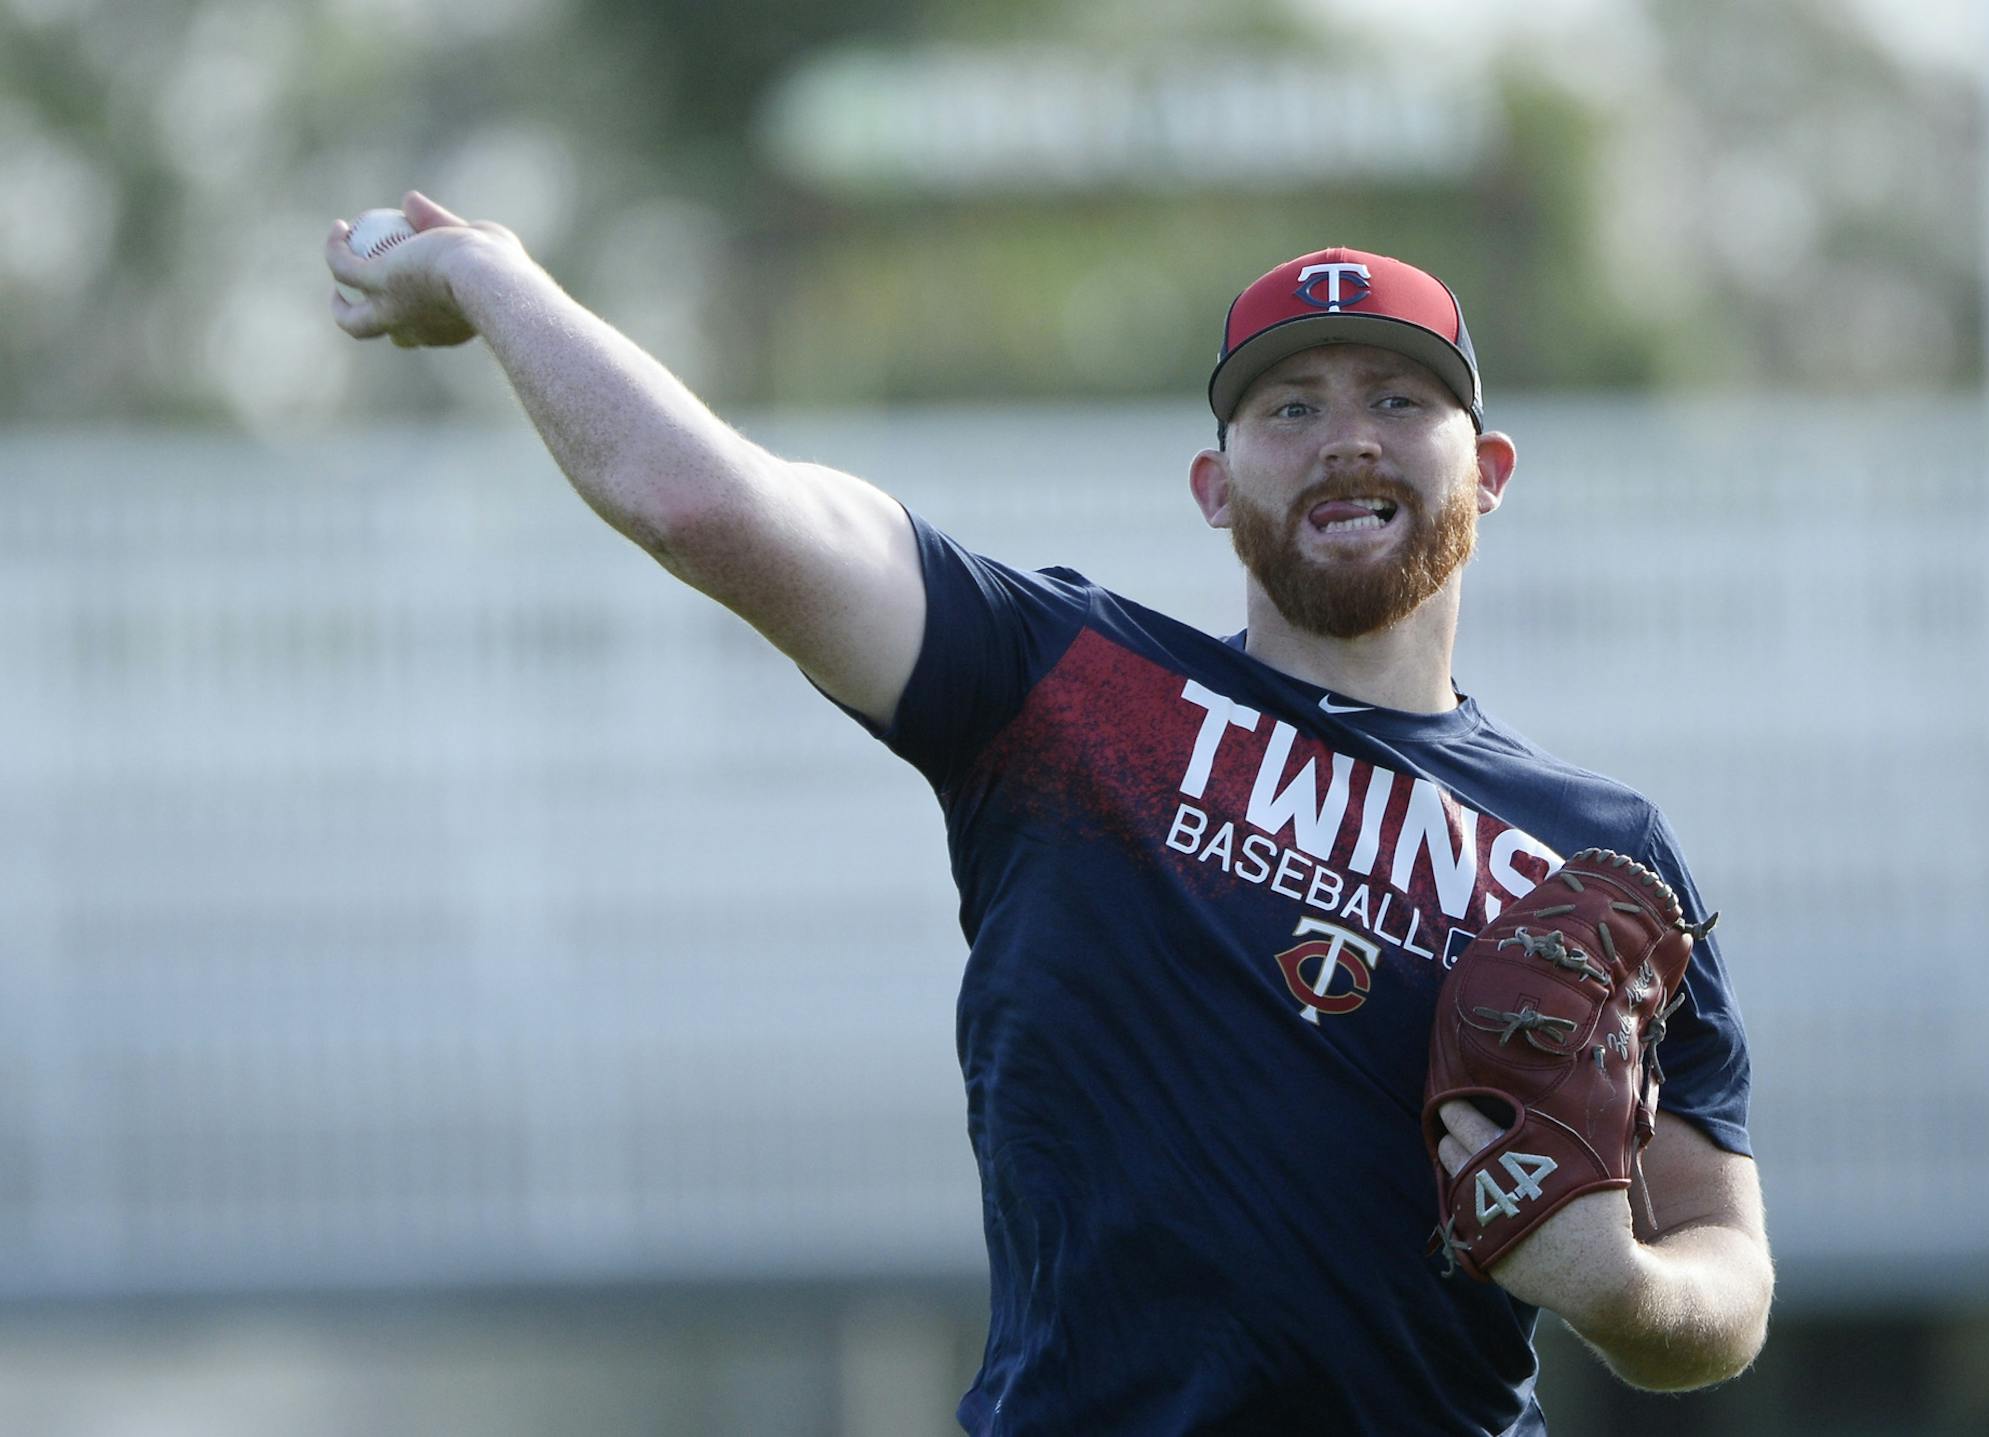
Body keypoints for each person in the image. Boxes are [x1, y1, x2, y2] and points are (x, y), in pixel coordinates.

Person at [326, 196, 1772, 1435]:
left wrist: (1623, 1286)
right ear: (1215, 487)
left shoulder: (1597, 857)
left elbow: (1728, 1270)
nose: (1347, 440)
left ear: (1489, 471)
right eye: (1291, 407)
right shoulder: (1069, 689)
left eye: (1398, 400)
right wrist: (493, 277)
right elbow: (701, 502)